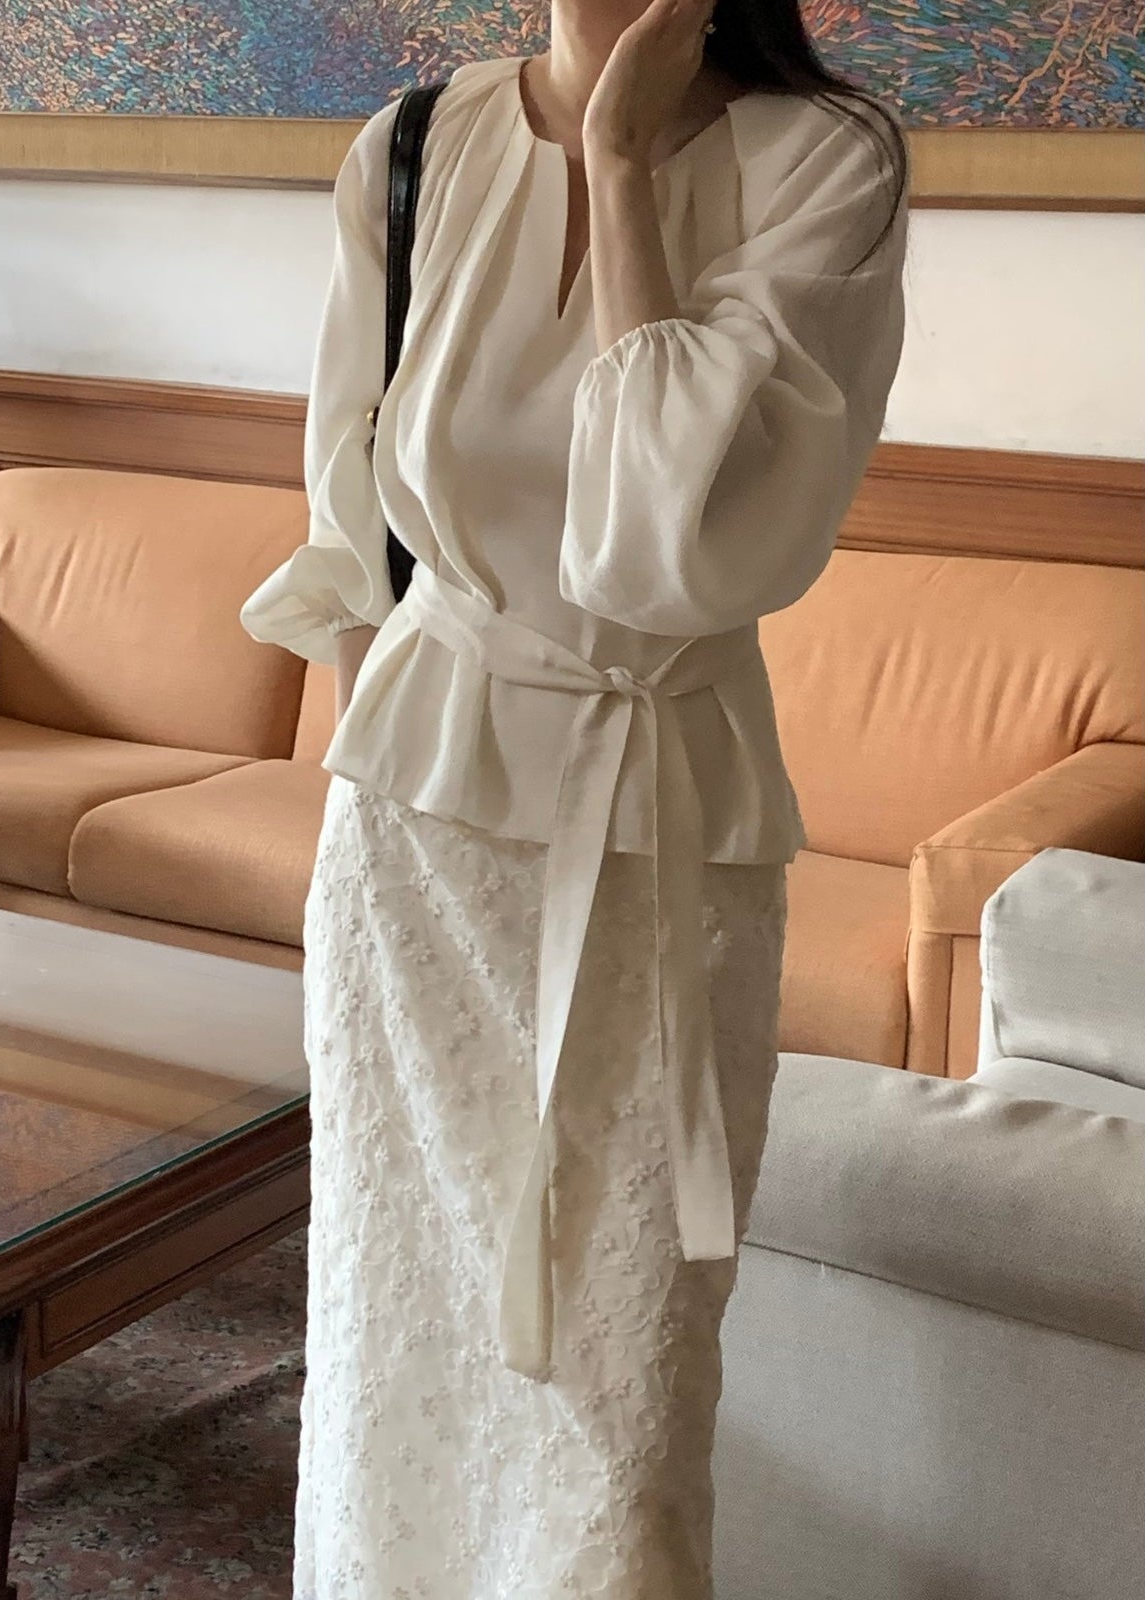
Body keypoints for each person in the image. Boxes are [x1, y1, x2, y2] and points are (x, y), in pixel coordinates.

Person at [242, 0, 908, 1592]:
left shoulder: (827, 159)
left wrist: (616, 163)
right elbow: (351, 526)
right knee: (399, 1319)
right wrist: (374, 781)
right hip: (416, 829)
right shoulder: (413, 147)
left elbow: (670, 553)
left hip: (660, 827)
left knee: (627, 1389)